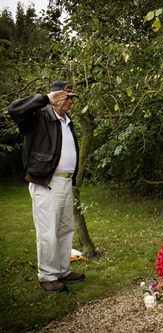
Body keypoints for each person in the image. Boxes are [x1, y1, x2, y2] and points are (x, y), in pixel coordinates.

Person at [8, 80, 85, 292]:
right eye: (67, 97)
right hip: (47, 183)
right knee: (47, 232)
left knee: (64, 229)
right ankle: (48, 276)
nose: (71, 101)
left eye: (71, 98)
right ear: (55, 97)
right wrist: (43, 99)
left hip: (66, 182)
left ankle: (62, 270)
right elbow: (14, 110)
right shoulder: (38, 118)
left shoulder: (67, 120)